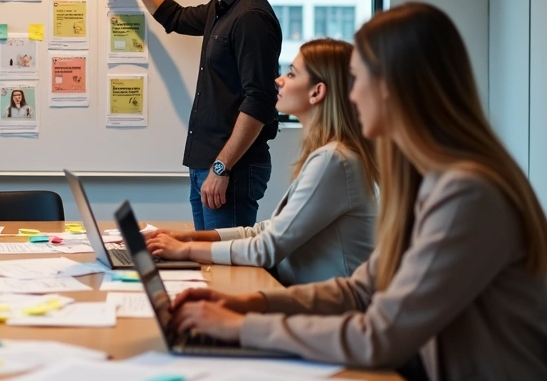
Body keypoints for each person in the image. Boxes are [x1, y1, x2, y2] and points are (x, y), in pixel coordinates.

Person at [169, 3, 547, 381]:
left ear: (396, 86)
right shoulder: (427, 181)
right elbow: (361, 289)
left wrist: (242, 328)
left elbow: (380, 336)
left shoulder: (467, 193)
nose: (351, 95)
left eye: (359, 79)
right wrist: (250, 306)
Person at [146, 39, 377, 286]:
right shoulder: (330, 156)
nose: (278, 80)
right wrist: (188, 238)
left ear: (316, 92)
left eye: (291, 74)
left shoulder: (334, 161)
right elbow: (264, 231)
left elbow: (266, 249)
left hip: (329, 313)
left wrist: (185, 250)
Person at [103, 0, 281, 229]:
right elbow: (174, 17)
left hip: (231, 170)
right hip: (209, 166)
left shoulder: (251, 17)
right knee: (209, 266)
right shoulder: (220, 8)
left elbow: (259, 102)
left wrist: (222, 168)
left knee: (228, 270)